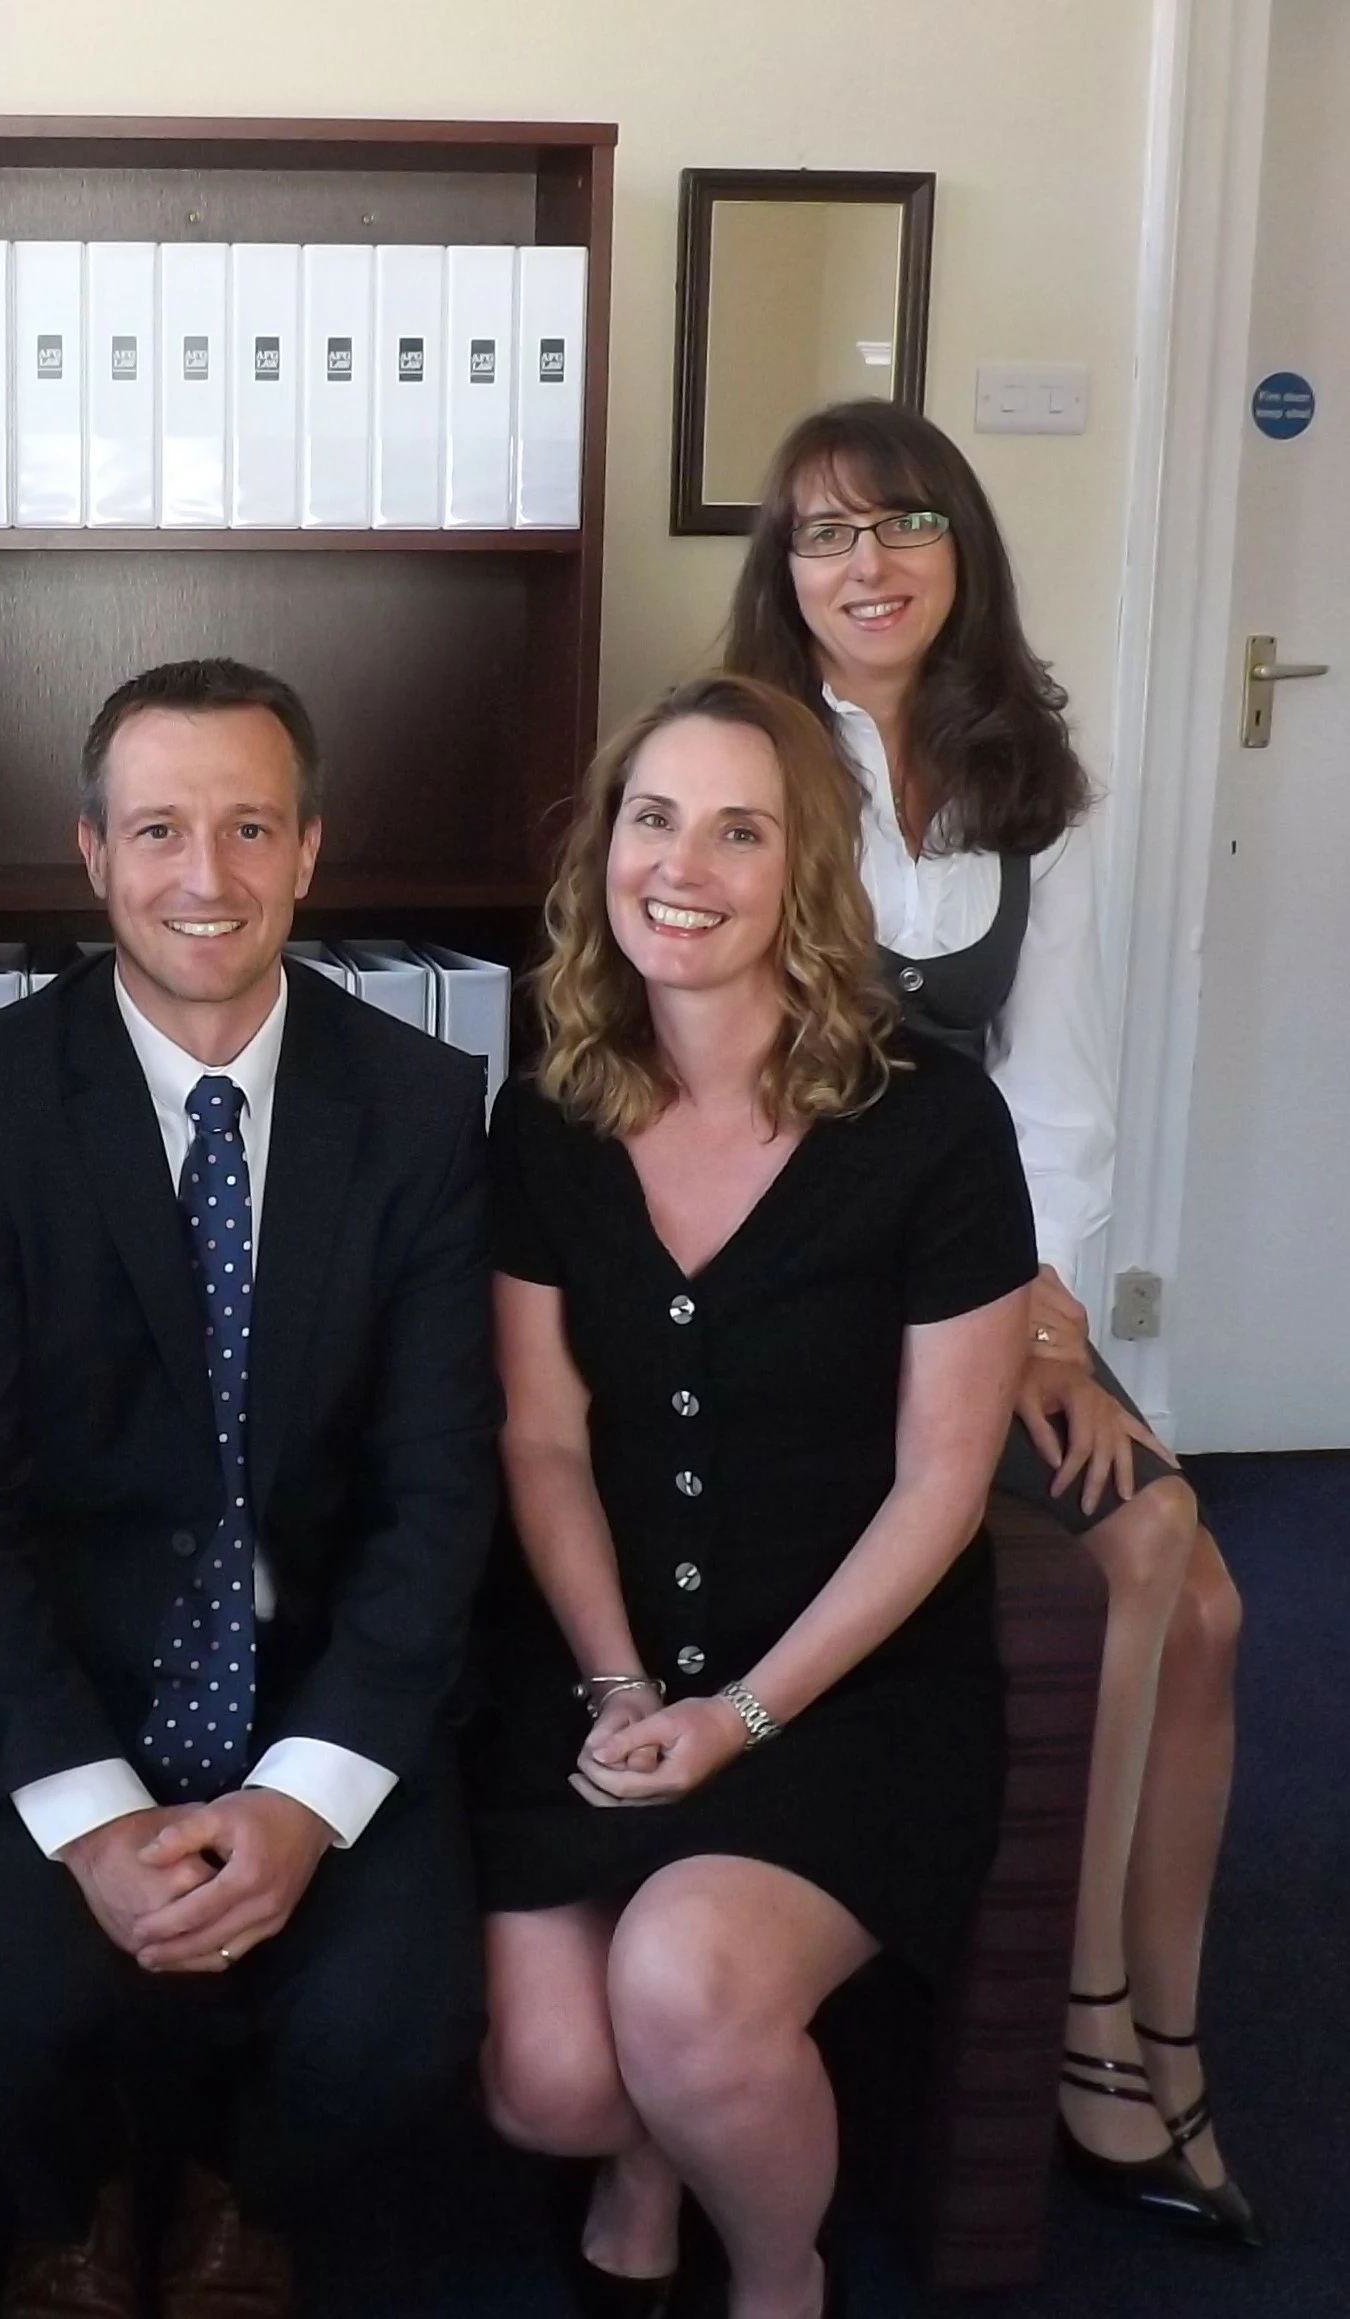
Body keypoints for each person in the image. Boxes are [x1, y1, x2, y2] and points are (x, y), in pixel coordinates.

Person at [0, 659, 498, 2319]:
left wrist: (305, 1796)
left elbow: (438, 1491)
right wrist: (87, 1815)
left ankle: (243, 2197)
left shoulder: (426, 1106)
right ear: (91, 854)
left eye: (246, 827)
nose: (204, 878)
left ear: (310, 848)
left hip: (313, 1683)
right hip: (59, 1680)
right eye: (158, 829)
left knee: (399, 2025)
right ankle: (69, 2207)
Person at [721, 400, 1258, 2244]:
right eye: (823, 535)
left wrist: (1042, 1324)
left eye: (904, 526)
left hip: (992, 1269)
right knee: (1153, 1549)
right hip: (812, 1280)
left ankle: (1145, 2016)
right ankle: (1091, 2034)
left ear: (963, 555)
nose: (865, 565)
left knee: (1206, 1602)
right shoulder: (744, 764)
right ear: (779, 579)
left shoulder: (1035, 780)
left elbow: (1062, 1092)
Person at [472, 673, 1035, 2319]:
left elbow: (945, 1477)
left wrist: (747, 1716)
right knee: (553, 2090)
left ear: (807, 871)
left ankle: (778, 2276)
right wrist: (621, 1681)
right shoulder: (547, 1113)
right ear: (602, 848)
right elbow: (542, 1437)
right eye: (654, 819)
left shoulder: (933, 1123)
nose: (685, 865)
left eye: (740, 830)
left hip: (850, 1686)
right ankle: (647, 2145)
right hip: (598, 1664)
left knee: (683, 1982)